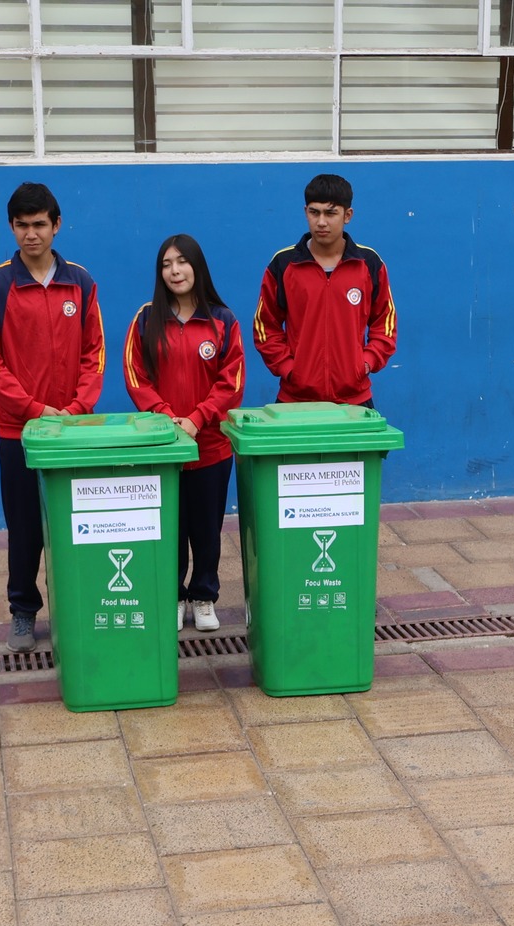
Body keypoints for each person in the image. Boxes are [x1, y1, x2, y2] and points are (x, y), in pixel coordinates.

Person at [0, 182, 107, 653]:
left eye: (39, 225)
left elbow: (95, 354)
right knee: (25, 526)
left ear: (56, 225)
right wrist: (33, 410)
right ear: (12, 228)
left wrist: (73, 411)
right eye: (22, 226)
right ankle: (23, 612)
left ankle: (78, 602)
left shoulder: (81, 282)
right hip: (20, 431)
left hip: (73, 429)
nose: (31, 234)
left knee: (78, 523)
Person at [123, 234, 246, 632]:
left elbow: (232, 382)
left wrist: (197, 418)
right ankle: (173, 595)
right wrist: (164, 416)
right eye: (166, 264)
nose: (175, 271)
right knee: (168, 528)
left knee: (207, 529)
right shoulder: (145, 319)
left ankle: (204, 595)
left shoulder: (222, 319)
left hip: (210, 446)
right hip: (163, 448)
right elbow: (135, 376)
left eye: (182, 262)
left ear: (197, 266)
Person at [254, 173, 397, 407]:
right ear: (305, 212)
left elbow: (386, 324)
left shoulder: (369, 263)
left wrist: (366, 362)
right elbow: (265, 326)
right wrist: (289, 368)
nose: (321, 222)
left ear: (347, 215)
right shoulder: (283, 264)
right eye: (314, 212)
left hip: (355, 399)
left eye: (331, 213)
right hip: (295, 399)